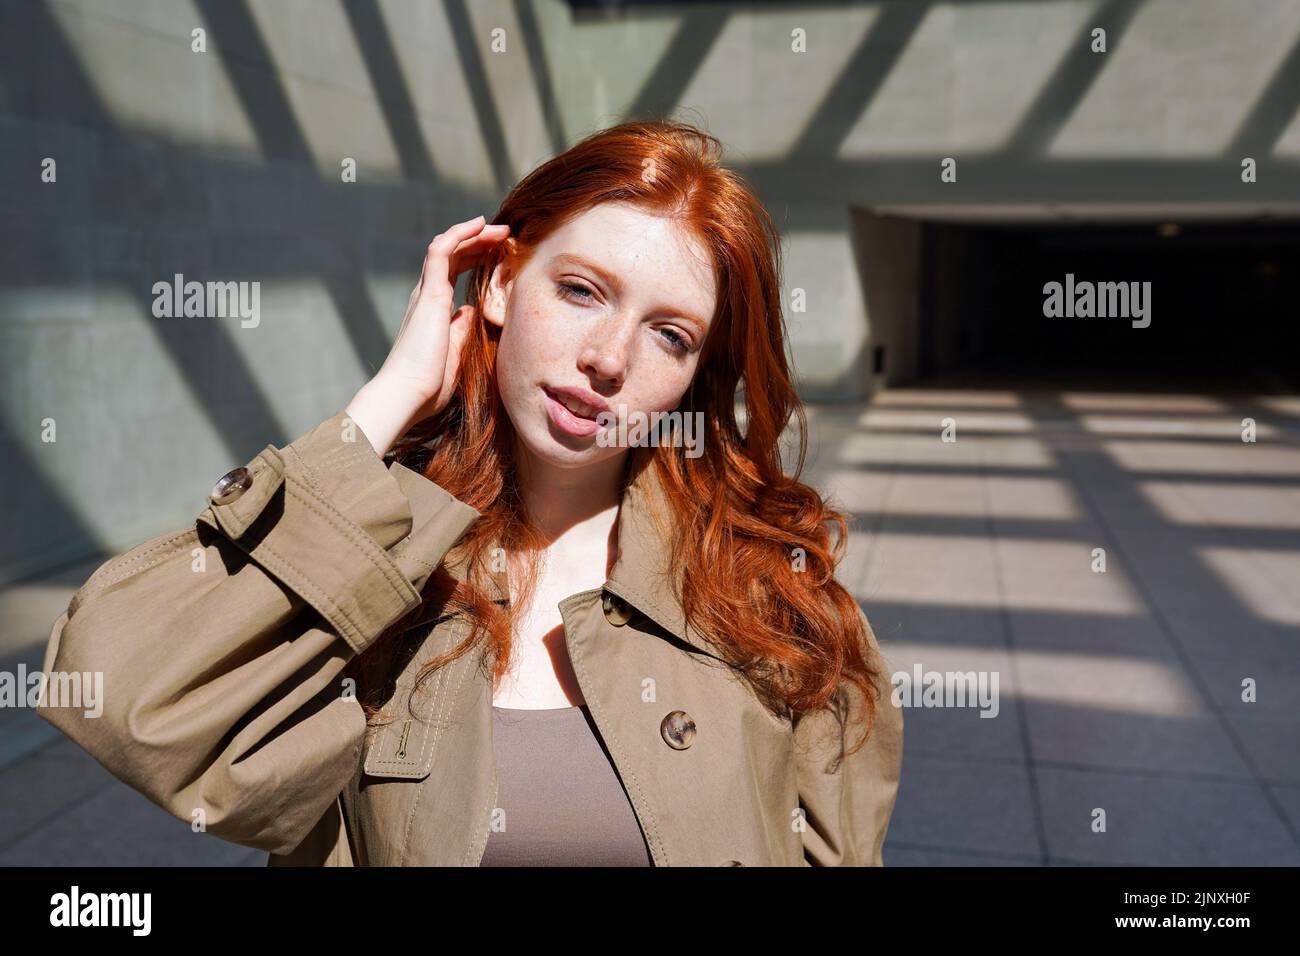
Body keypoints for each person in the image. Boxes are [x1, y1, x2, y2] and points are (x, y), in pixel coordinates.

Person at [36, 119, 903, 866]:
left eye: (669, 335)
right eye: (580, 291)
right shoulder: (377, 562)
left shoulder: (767, 591)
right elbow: (119, 692)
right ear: (495, 281)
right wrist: (381, 408)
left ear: (693, 377)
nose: (608, 357)